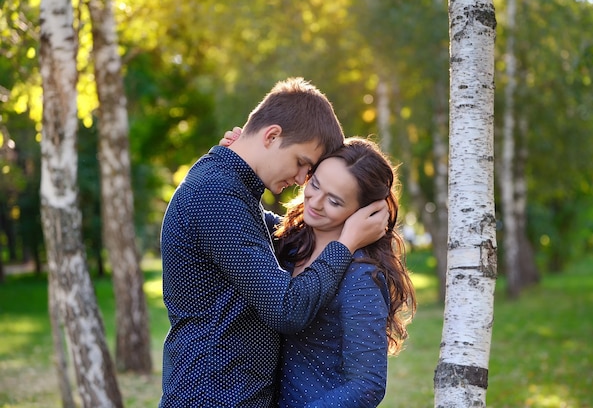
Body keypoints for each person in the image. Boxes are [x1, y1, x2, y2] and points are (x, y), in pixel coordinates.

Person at [159, 77, 389, 408]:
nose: (300, 180)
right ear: (271, 136)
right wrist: (348, 241)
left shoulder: (232, 190)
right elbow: (286, 309)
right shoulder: (216, 195)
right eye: (301, 164)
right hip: (209, 398)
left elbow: (279, 234)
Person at [266, 137, 417, 407]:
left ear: (362, 211)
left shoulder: (360, 276)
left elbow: (367, 385)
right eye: (315, 184)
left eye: (334, 201)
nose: (315, 202)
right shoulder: (287, 242)